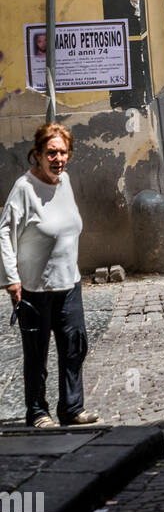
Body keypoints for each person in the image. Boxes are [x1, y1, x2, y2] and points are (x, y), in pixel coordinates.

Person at [0, 123, 97, 429]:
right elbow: (4, 233)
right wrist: (11, 279)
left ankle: (71, 408)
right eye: (51, 152)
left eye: (63, 152)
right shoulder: (25, 189)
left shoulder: (64, 182)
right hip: (34, 287)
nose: (58, 158)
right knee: (36, 353)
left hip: (69, 282)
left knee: (74, 346)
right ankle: (37, 412)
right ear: (38, 154)